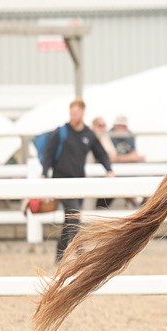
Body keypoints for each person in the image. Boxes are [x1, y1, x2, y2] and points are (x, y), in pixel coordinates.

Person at [41, 98, 114, 263]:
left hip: (78, 183)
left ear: (82, 112)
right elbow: (48, 154)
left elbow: (100, 153)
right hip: (60, 181)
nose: (73, 115)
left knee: (69, 220)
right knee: (74, 216)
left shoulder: (88, 134)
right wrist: (44, 173)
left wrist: (109, 169)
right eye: (71, 113)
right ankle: (80, 254)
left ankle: (59, 258)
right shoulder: (61, 132)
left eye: (76, 112)